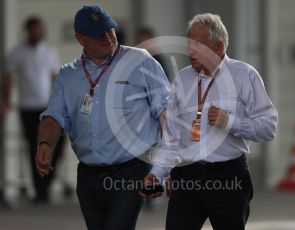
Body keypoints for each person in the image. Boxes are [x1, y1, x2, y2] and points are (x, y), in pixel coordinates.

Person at [35, 5, 169, 230]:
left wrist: (164, 166)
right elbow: (54, 116)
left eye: (109, 29)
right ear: (80, 38)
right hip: (88, 177)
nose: (107, 37)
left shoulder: (140, 61)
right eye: (98, 34)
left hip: (131, 171)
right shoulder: (68, 75)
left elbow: (166, 112)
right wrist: (45, 143)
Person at [144, 13, 278, 230]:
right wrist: (157, 173)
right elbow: (171, 139)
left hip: (228, 179)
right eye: (189, 44)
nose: (190, 51)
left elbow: (269, 128)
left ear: (218, 47)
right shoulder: (182, 79)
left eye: (198, 44)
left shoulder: (244, 76)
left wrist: (231, 122)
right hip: (186, 180)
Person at [0, 16, 66, 204]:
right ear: (27, 31)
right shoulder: (17, 53)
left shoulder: (49, 52)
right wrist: (6, 100)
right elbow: (8, 77)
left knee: (57, 144)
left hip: (48, 106)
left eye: (39, 30)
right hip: (28, 108)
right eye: (33, 30)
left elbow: (55, 77)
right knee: (33, 148)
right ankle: (40, 191)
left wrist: (60, 102)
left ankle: (47, 182)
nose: (37, 33)